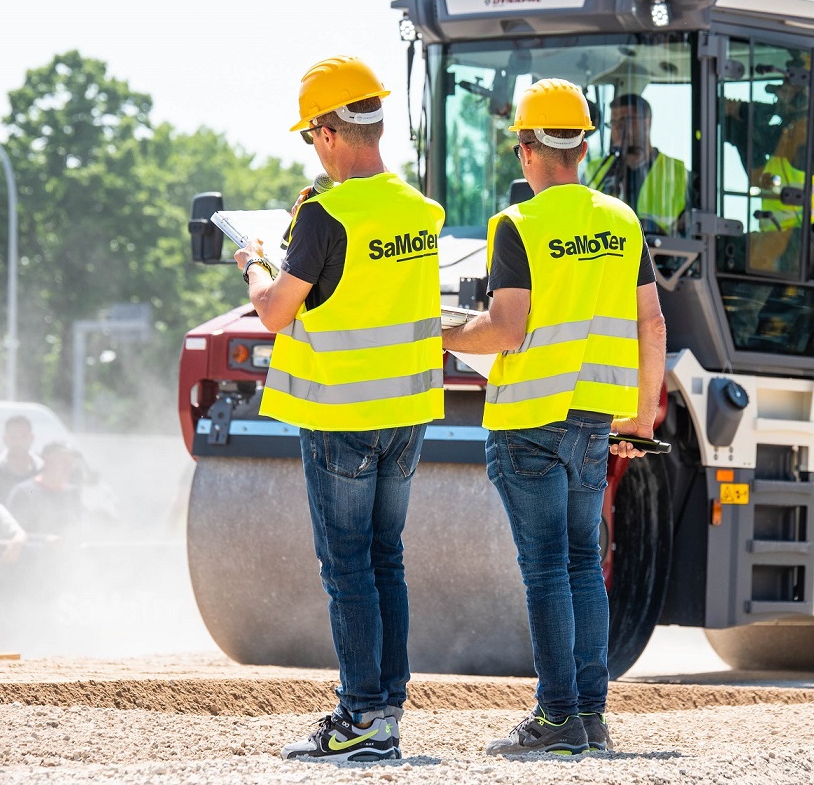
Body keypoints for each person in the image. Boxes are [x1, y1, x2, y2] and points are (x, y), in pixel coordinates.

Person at [441, 78, 667, 756]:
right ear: (583, 146)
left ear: (528, 149)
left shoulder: (519, 225)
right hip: (594, 420)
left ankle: (555, 716)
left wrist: (438, 331)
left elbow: (505, 330)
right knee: (577, 564)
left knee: (545, 569)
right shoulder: (621, 221)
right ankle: (589, 716)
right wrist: (641, 422)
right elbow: (651, 324)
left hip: (529, 422)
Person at [237, 54, 444, 763]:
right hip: (407, 414)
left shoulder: (324, 215)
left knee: (347, 566)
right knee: (387, 559)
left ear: (328, 132)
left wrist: (255, 258)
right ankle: (384, 708)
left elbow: (274, 311)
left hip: (341, 419)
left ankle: (358, 717)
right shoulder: (421, 212)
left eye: (308, 135)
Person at [730, 57, 814, 276]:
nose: (780, 94)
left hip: (812, 243)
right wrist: (739, 132)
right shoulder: (789, 135)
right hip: (790, 243)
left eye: (789, 88)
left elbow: (764, 136)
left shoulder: (806, 131)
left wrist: (743, 113)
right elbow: (757, 177)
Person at [585, 93, 688, 234]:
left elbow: (689, 233)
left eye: (625, 121)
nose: (617, 129)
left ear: (647, 122)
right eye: (613, 123)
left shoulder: (679, 175)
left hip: (658, 253)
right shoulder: (594, 171)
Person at [6, 441, 92, 541]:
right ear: (47, 462)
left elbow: (82, 527)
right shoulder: (26, 492)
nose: (68, 467)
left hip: (71, 555)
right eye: (64, 462)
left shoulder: (72, 493)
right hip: (34, 554)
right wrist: (45, 539)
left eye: (70, 463)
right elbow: (13, 533)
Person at [0, 415, 42, 503]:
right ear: (5, 439)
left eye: (23, 436)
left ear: (32, 438)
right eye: (13, 437)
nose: (18, 442)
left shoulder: (44, 470)